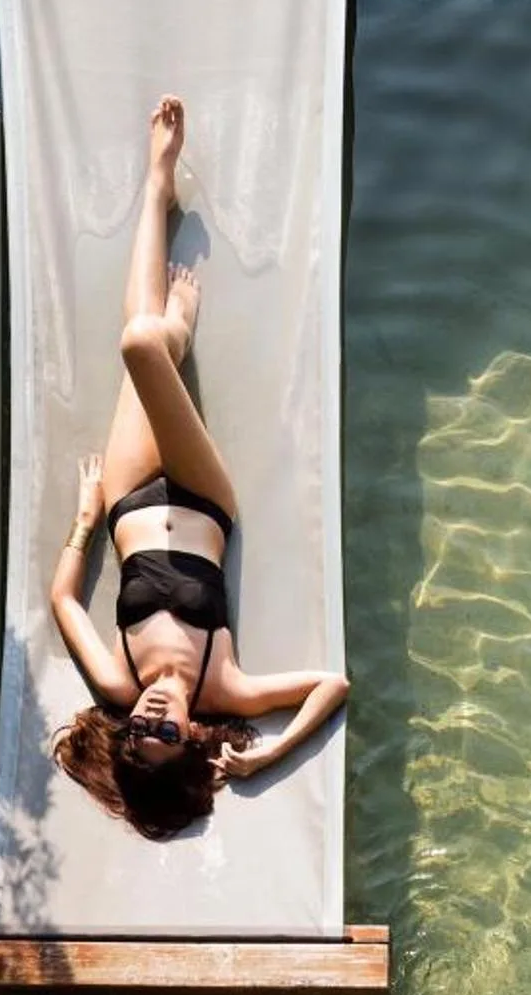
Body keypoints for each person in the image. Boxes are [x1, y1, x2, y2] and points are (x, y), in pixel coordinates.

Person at [51, 95, 349, 840]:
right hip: (205, 495)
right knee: (142, 345)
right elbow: (331, 685)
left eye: (136, 734)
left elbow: (63, 601)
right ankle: (174, 327)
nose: (150, 717)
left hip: (127, 497)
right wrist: (268, 754)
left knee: (139, 342)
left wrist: (87, 519)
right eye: (168, 735)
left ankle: (159, 183)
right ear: (192, 740)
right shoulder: (226, 687)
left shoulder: (117, 677)